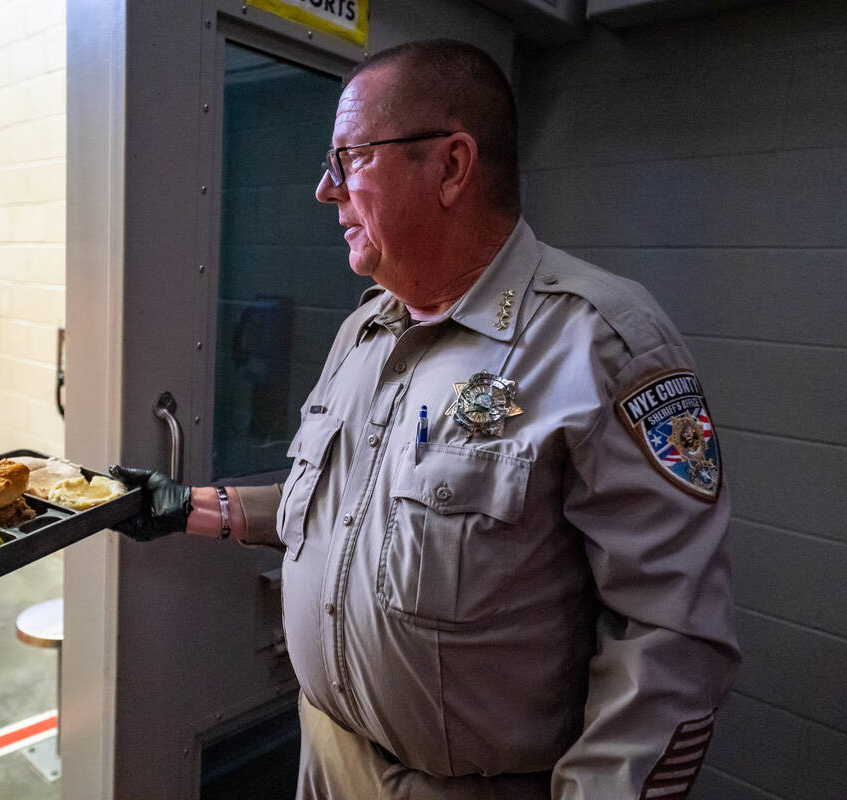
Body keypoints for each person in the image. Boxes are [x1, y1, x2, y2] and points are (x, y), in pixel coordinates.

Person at [111, 39, 739, 799]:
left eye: (348, 159)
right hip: (328, 756)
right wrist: (193, 509)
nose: (324, 190)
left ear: (450, 166)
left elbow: (671, 642)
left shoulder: (601, 341)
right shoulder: (368, 329)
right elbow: (346, 498)